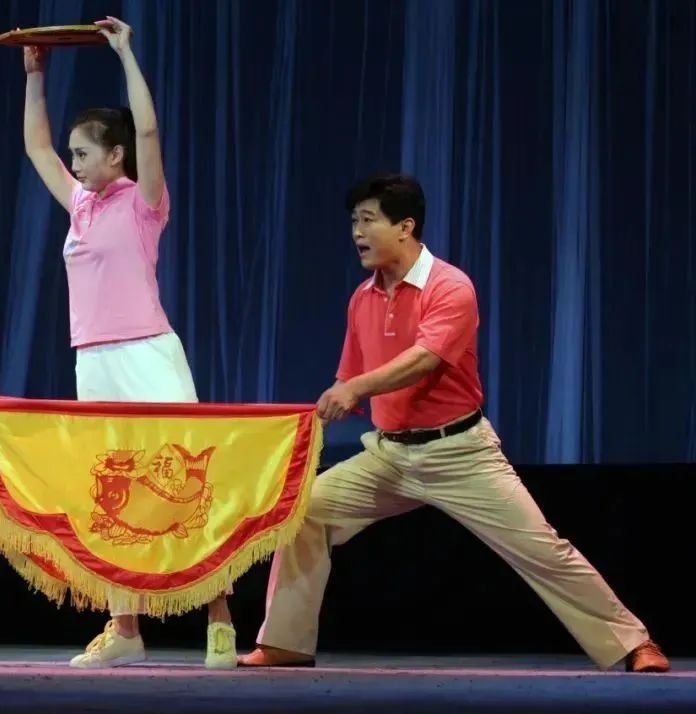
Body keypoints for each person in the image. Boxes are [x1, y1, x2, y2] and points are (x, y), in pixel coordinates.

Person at [237, 174, 670, 673]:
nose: (357, 232)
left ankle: (634, 642)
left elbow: (424, 359)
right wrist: (318, 412)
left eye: (368, 220)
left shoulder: (449, 286)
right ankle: (286, 642)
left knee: (541, 548)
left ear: (405, 227)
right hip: (388, 456)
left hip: (459, 453)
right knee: (305, 512)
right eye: (353, 221)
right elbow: (349, 377)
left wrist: (355, 389)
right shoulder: (362, 298)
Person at [21, 16, 235, 669]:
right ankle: (125, 629)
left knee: (185, 484)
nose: (74, 163)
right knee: (111, 492)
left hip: (148, 354)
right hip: (94, 360)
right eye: (74, 155)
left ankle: (220, 621)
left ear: (115, 156)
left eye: (83, 153)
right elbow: (36, 148)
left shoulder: (145, 203)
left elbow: (147, 131)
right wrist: (35, 74)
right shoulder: (81, 206)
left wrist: (125, 53)